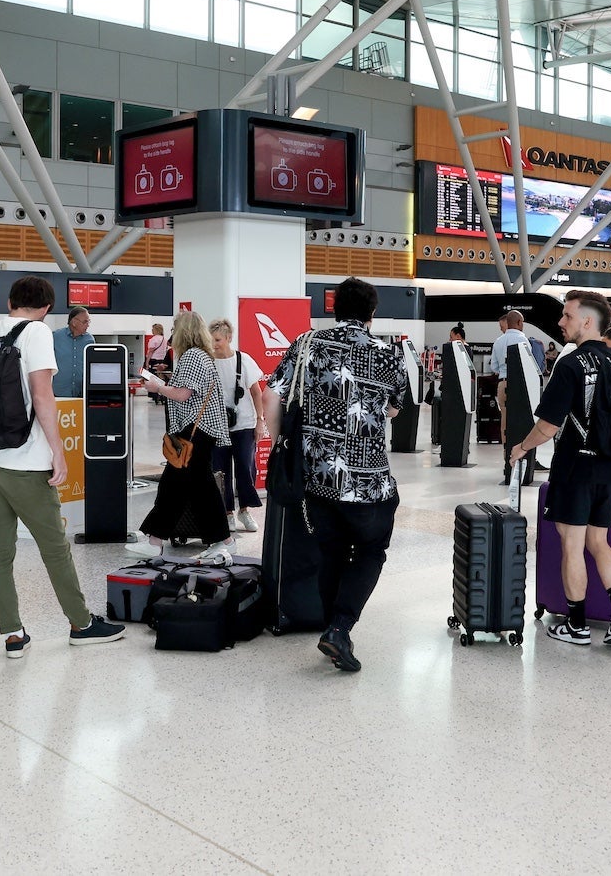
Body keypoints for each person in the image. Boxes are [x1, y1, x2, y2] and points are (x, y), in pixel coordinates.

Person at [0, 276, 124, 656]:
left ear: (10, 300)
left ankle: (13, 634)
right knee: (55, 547)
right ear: (45, 308)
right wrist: (58, 450)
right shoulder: (36, 332)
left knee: (0, 550)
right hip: (25, 463)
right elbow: (42, 396)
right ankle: (82, 623)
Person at [265, 277, 406, 673]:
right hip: (369, 481)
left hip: (317, 477)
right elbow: (395, 409)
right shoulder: (389, 352)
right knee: (371, 550)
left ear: (334, 308)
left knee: (329, 551)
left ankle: (332, 627)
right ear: (372, 314)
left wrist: (280, 444)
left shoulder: (307, 344)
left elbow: (271, 394)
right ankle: (340, 628)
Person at [509, 289, 611, 648]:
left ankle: (577, 624)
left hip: (576, 467)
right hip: (610, 466)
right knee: (600, 541)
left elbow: (548, 426)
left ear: (586, 321)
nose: (560, 322)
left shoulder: (570, 364)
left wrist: (521, 447)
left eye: (566, 316)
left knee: (573, 543)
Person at [131, 310, 234, 559]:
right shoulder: (201, 356)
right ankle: (158, 540)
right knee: (184, 487)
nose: (173, 334)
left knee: (186, 487)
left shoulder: (191, 356)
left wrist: (157, 387)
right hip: (199, 432)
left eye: (176, 329)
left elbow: (183, 393)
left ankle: (218, 540)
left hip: (194, 432)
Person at [209, 318, 269, 533]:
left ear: (228, 338)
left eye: (217, 340)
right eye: (211, 340)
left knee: (245, 467)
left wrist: (260, 421)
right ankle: (227, 513)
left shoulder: (244, 360)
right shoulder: (208, 362)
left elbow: (256, 392)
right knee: (220, 470)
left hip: (244, 423)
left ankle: (245, 509)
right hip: (217, 426)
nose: (214, 344)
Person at [491, 310, 531, 477]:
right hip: (520, 386)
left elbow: (493, 367)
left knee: (505, 425)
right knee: (521, 422)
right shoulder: (524, 340)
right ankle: (521, 457)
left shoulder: (499, 341)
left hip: (503, 384)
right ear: (520, 323)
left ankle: (507, 461)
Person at [50, 304, 94, 398]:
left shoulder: (89, 340)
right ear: (74, 322)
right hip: (58, 392)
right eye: (85, 322)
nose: (88, 324)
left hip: (81, 393)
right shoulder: (55, 336)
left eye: (88, 321)